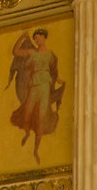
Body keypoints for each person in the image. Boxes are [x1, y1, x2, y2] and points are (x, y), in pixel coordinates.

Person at [6, 27, 63, 163]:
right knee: (27, 113)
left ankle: (36, 150)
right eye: (35, 38)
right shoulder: (32, 52)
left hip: (44, 87)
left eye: (37, 37)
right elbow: (15, 52)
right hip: (34, 86)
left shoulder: (51, 55)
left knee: (41, 120)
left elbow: (54, 72)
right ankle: (27, 133)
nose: (36, 40)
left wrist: (60, 81)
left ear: (44, 37)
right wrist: (21, 37)